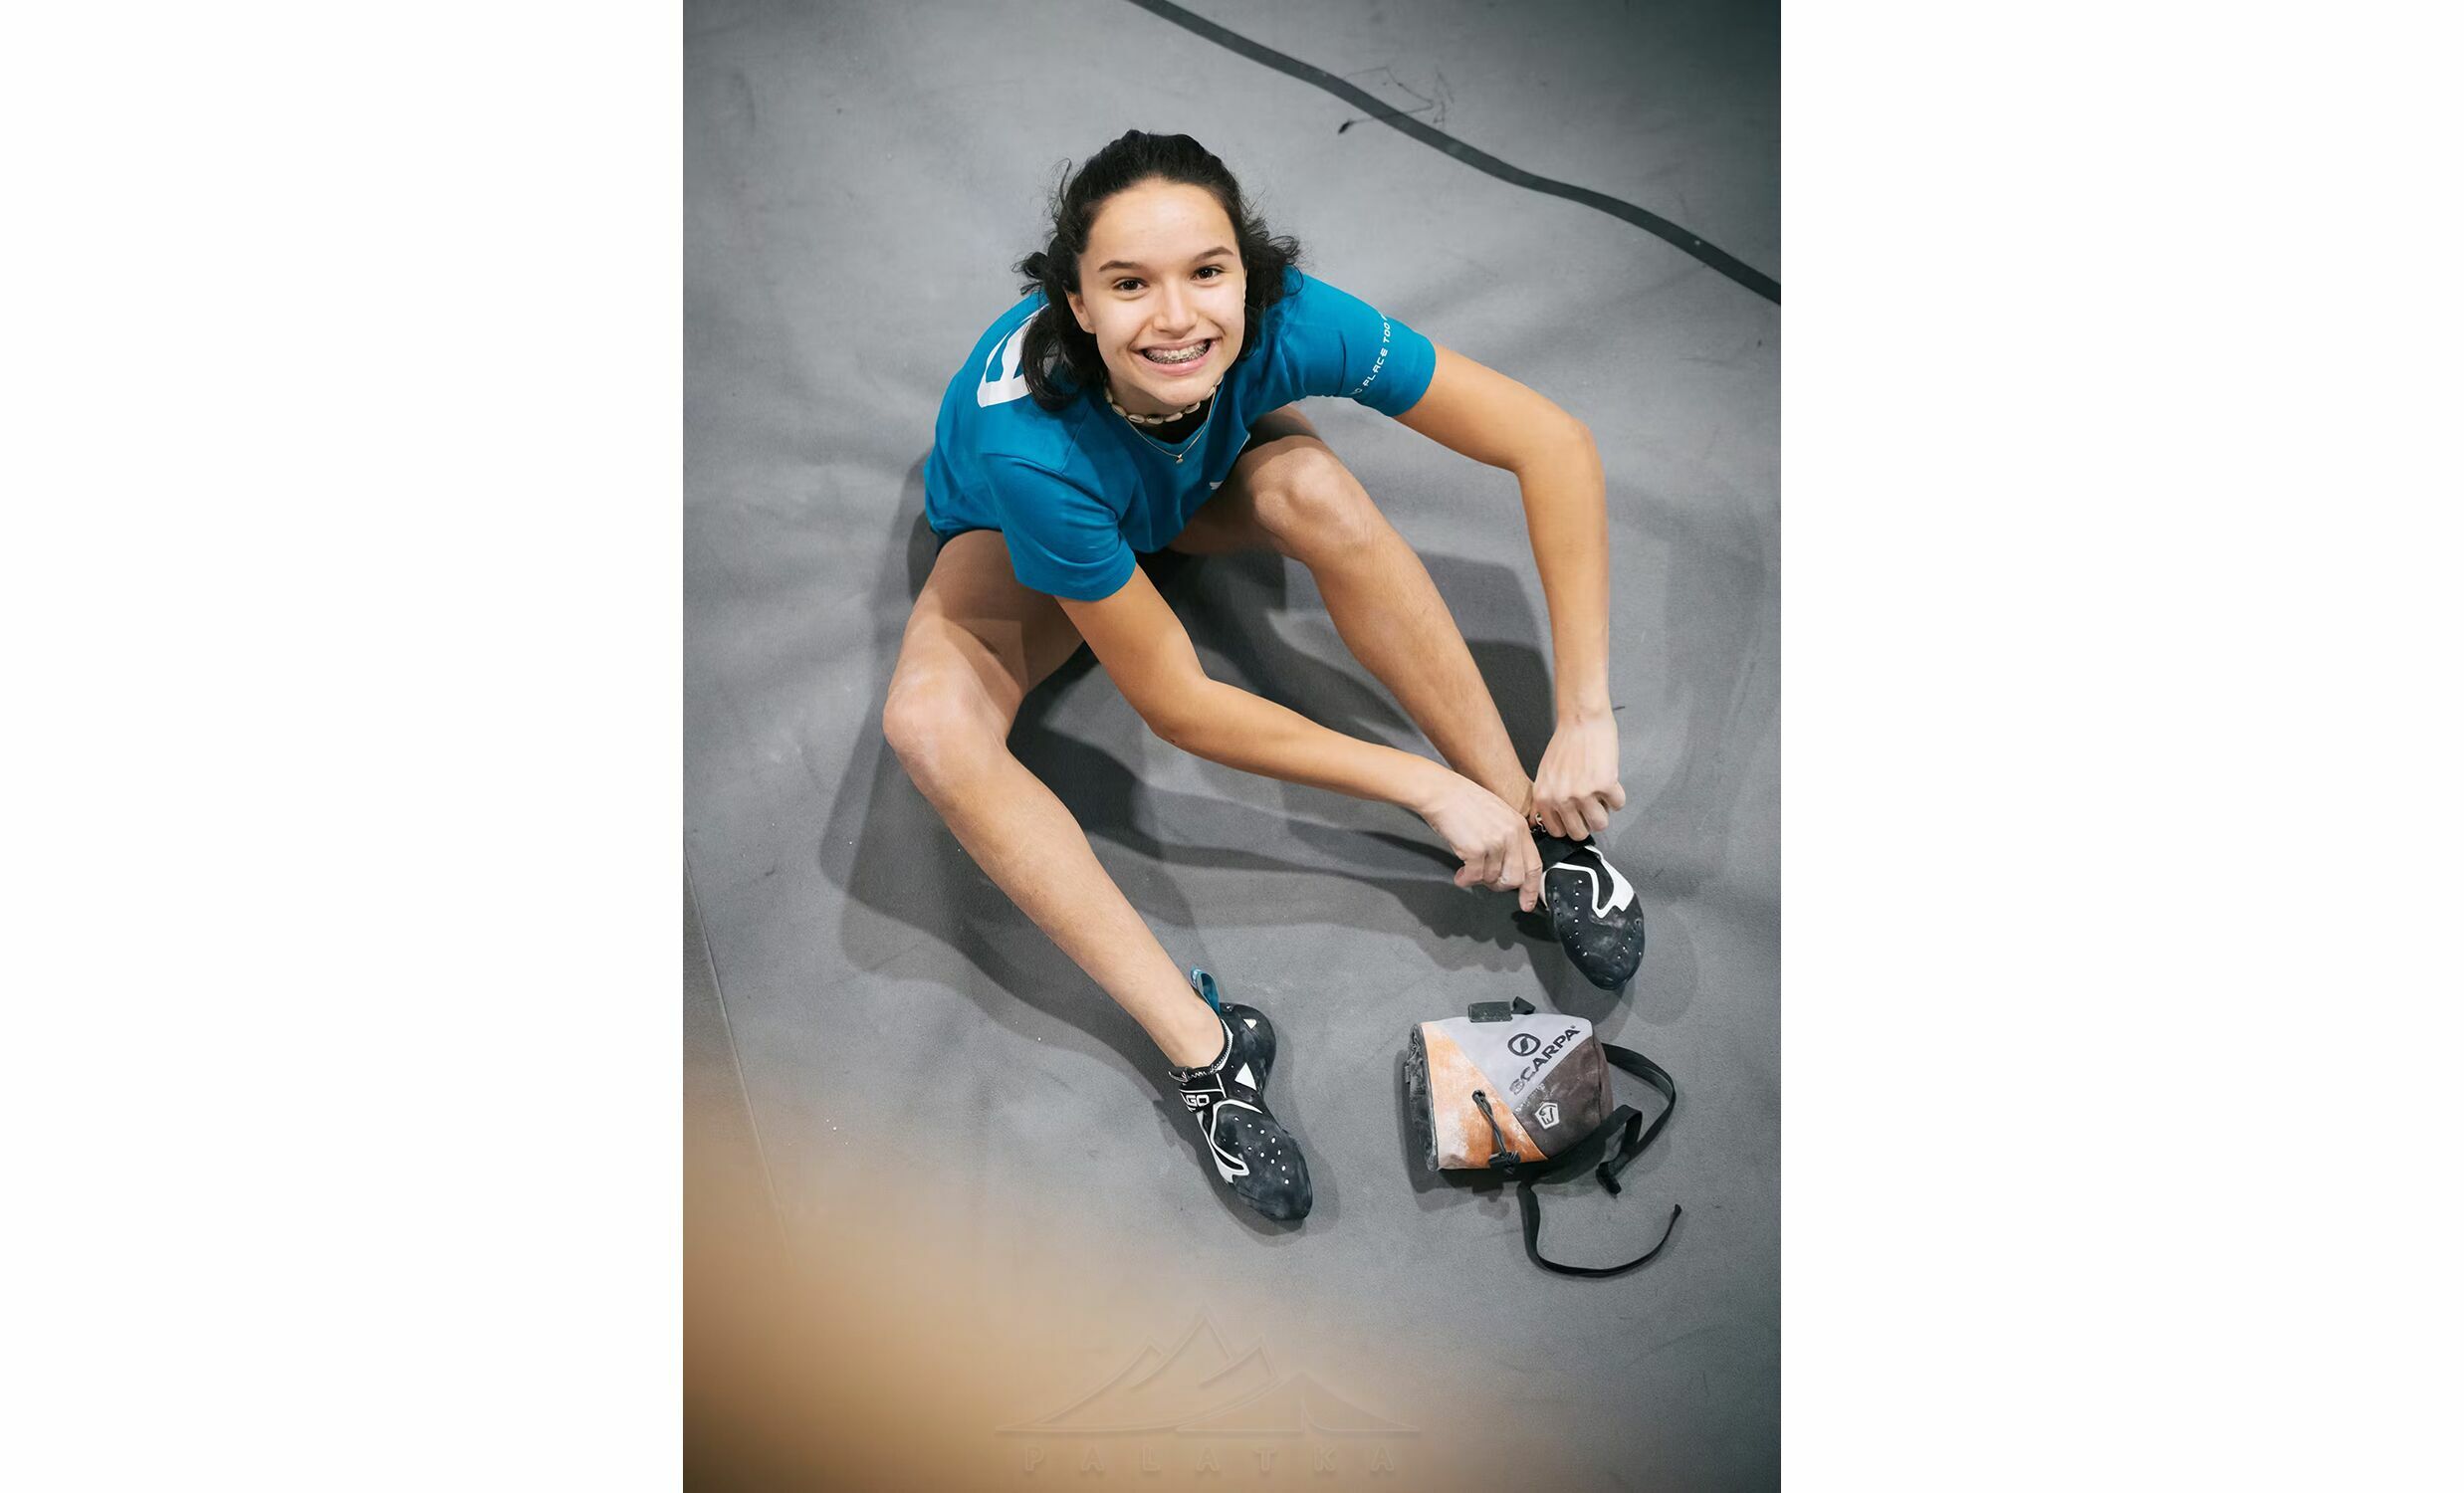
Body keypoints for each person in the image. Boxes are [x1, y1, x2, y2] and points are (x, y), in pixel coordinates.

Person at [884, 129, 1641, 1224]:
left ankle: (1533, 824)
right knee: (930, 726)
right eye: (1129, 284)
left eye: (1207, 272)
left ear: (1249, 272)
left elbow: (1552, 444)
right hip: (1039, 526)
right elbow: (1178, 701)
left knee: (1318, 491)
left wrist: (1583, 711)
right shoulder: (1030, 451)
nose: (1177, 316)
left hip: (1191, 481)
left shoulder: (1289, 318)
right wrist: (1420, 786)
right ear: (1076, 302)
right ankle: (1210, 1053)